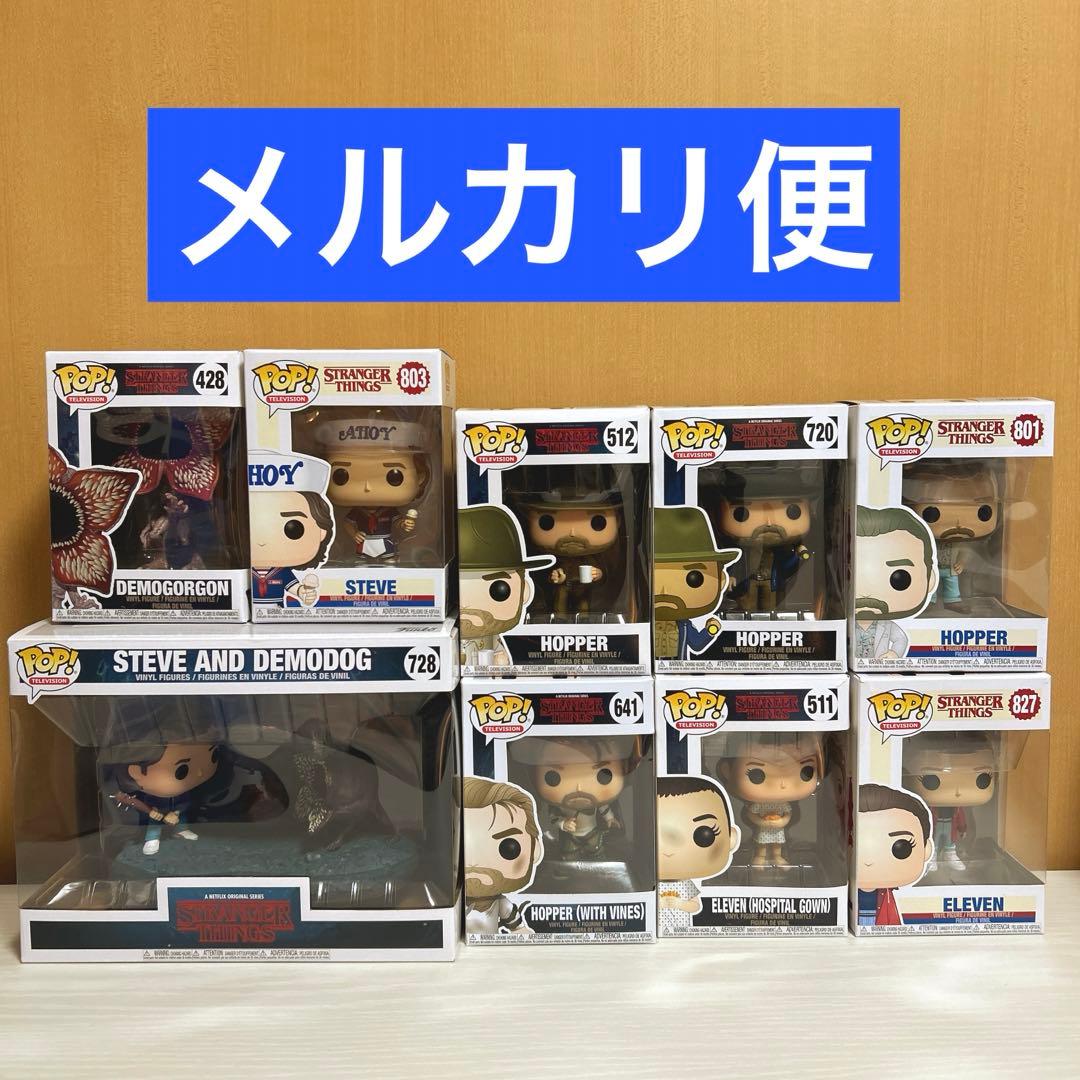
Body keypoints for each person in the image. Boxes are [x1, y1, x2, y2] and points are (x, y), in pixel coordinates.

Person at [458, 505, 554, 667]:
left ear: (524, 591)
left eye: (499, 590)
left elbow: (499, 654)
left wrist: (500, 659)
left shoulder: (491, 636)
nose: (467, 605)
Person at [249, 450, 334, 610]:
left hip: (276, 610)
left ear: (321, 532)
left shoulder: (281, 571)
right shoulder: (245, 572)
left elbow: (295, 588)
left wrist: (305, 593)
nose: (262, 541)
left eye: (293, 529)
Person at [653, 506, 741, 660]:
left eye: (694, 578)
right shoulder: (646, 626)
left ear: (721, 580)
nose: (664, 591)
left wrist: (710, 630)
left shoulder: (684, 625)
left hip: (678, 670)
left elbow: (697, 644)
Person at [656, 775, 740, 933]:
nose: (669, 850)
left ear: (732, 838)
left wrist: (679, 904)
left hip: (683, 930)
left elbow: (695, 906)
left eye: (703, 834)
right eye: (652, 834)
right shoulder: (650, 885)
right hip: (654, 930)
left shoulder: (685, 885)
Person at [853, 505, 937, 660]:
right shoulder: (845, 624)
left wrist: (894, 653)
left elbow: (901, 639)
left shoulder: (887, 625)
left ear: (929, 580)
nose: (867, 594)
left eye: (900, 579)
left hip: (880, 667)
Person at [463, 777, 543, 936]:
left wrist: (519, 930)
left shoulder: (499, 902)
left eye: (508, 848)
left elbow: (513, 920)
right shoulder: (452, 903)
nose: (474, 863)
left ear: (535, 850)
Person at [856, 783, 934, 926]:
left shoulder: (891, 898)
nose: (869, 861)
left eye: (901, 848)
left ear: (926, 850)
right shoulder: (840, 897)